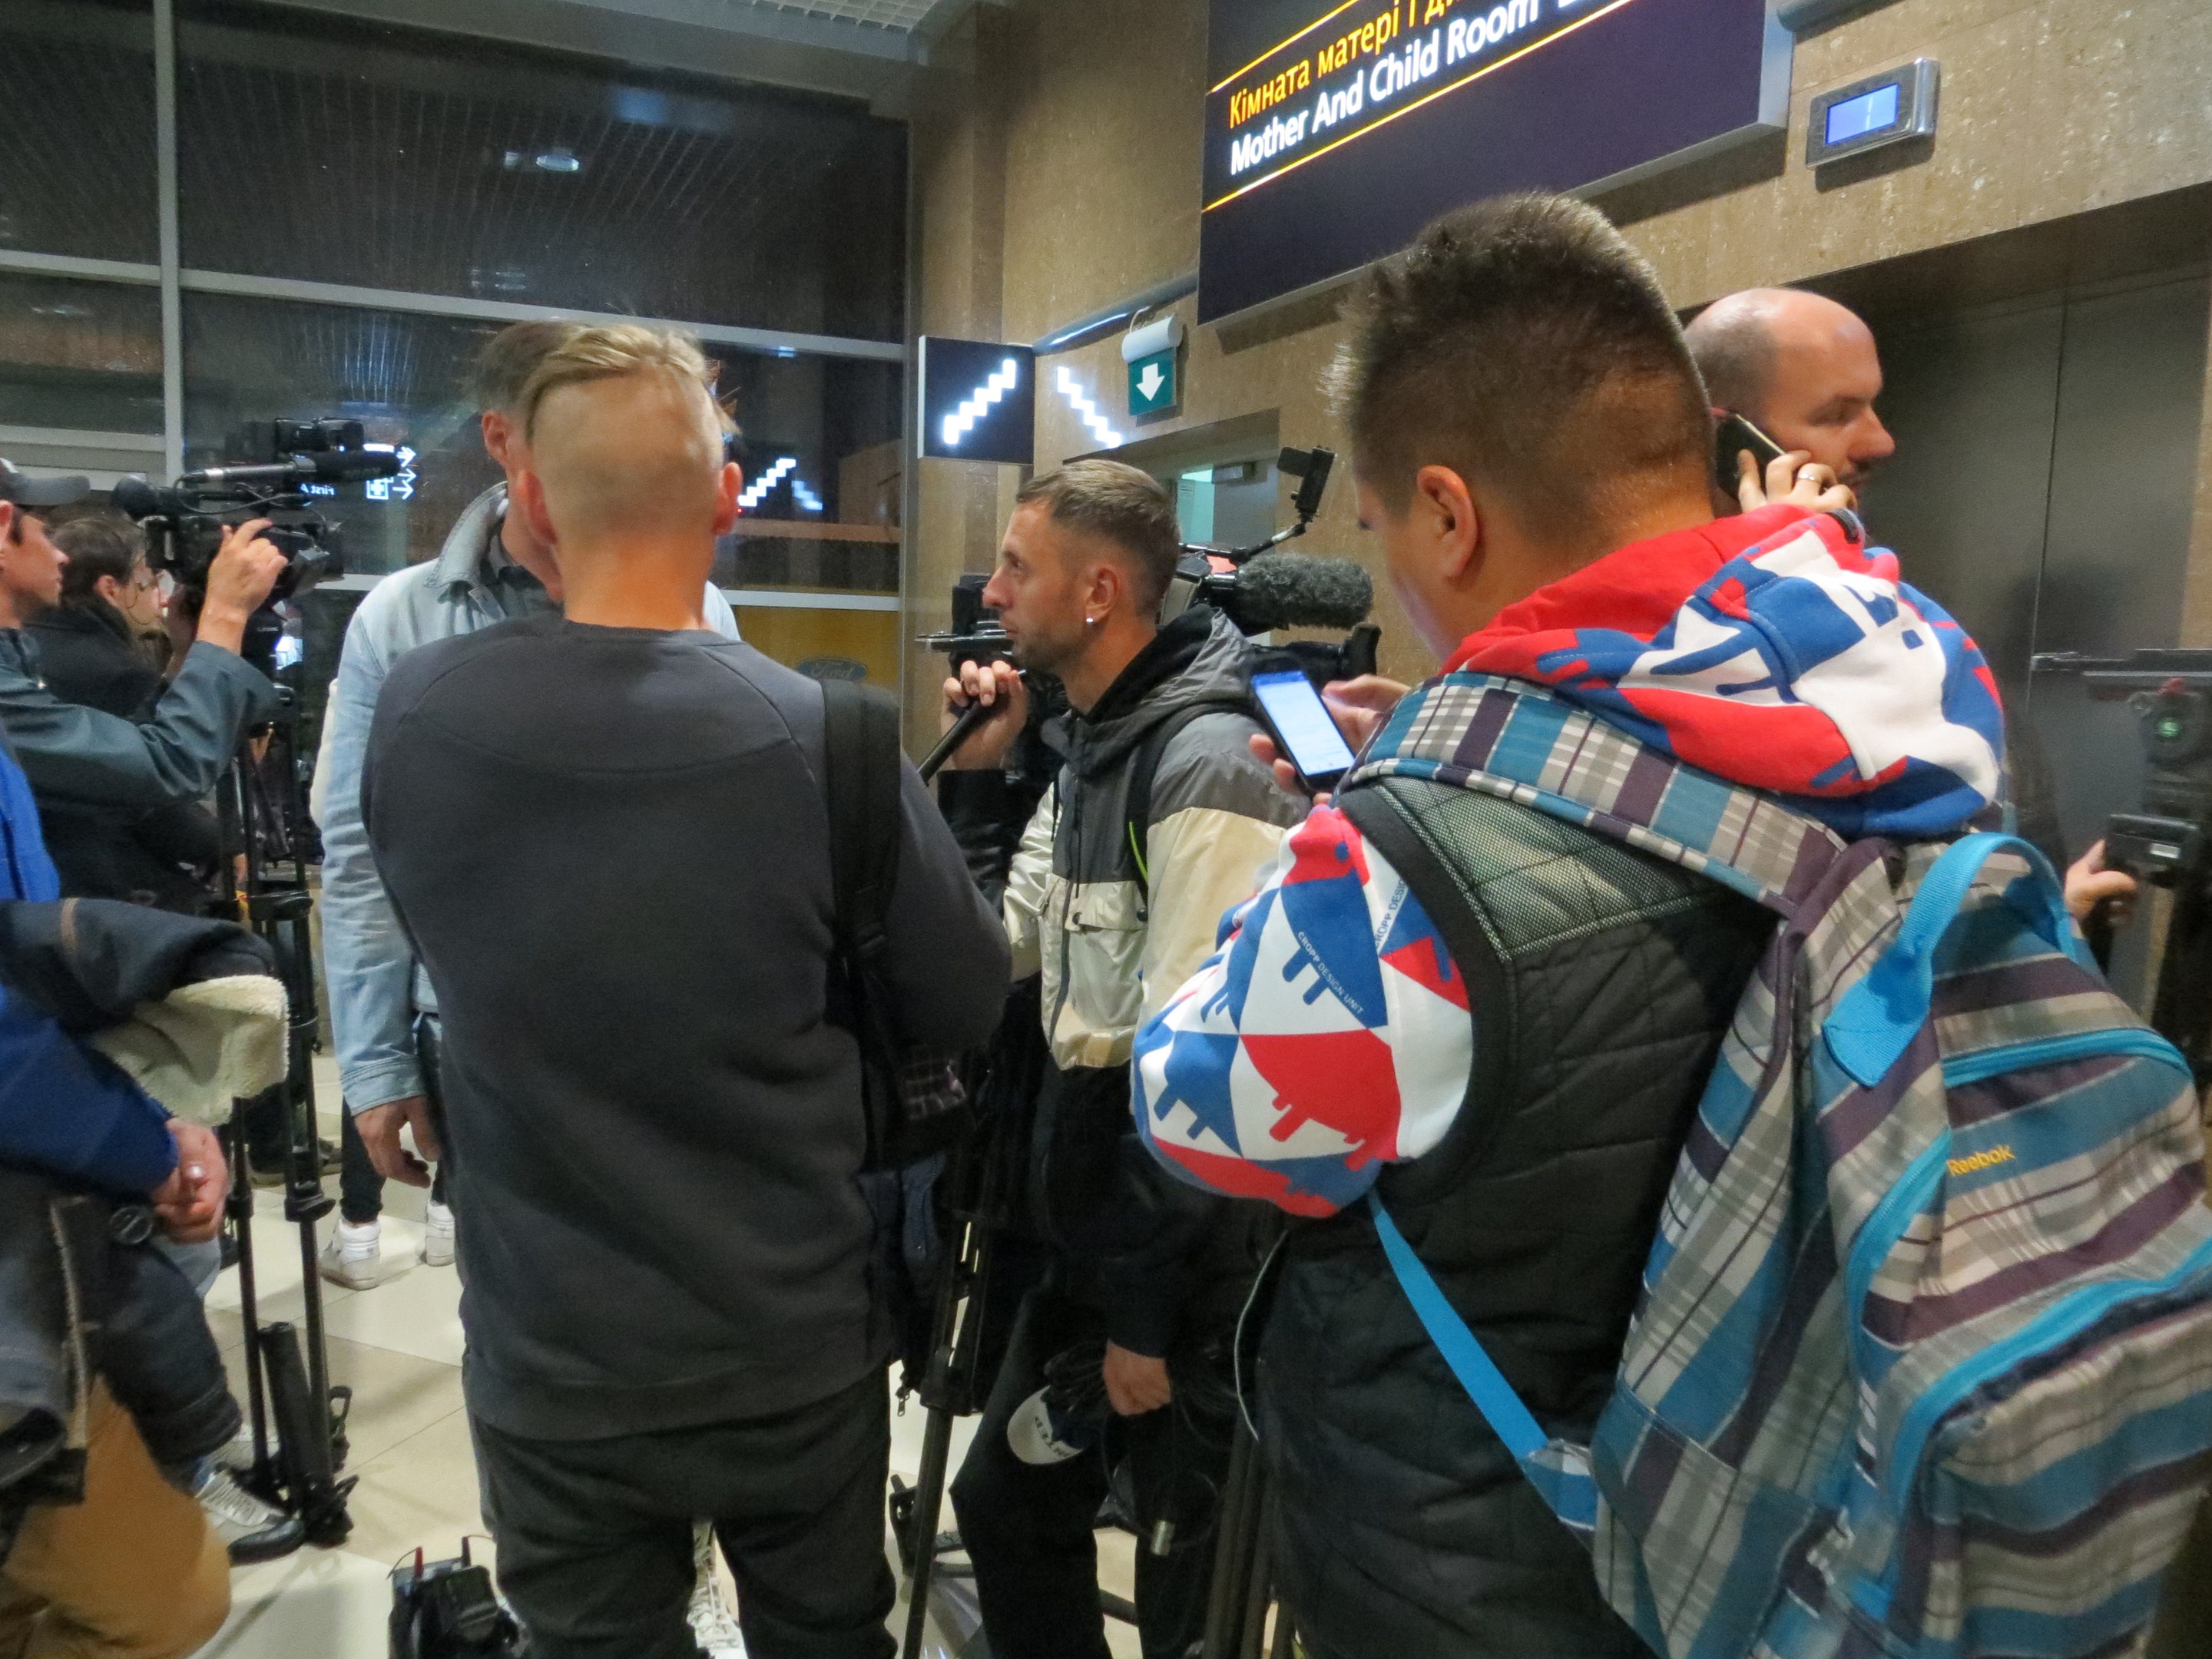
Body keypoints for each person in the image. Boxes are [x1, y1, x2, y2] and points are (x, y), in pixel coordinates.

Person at [1133, 194, 2007, 1657]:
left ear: (1452, 513)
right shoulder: (1939, 711)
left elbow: (1198, 1111)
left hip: (1520, 1571)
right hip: (1838, 1529)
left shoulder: (1409, 868)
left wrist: (1341, 846)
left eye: (1386, 526)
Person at [364, 323, 1008, 1659]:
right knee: (827, 1634)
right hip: (791, 1341)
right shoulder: (822, 735)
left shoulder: (419, 714)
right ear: (726, 499)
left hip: (551, 1343)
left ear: (529, 500)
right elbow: (965, 999)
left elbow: (430, 933)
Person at [933, 460, 1303, 1659]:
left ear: (1098, 591)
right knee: (1001, 1506)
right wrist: (984, 779)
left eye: (1016, 567)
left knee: (1188, 1595)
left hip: (1188, 1277)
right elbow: (996, 956)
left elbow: (1206, 1071)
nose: (992, 592)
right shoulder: (1093, 743)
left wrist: (1144, 1319)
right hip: (1098, 1238)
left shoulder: (1205, 761)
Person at [315, 318, 743, 1296]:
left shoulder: (702, 611)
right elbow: (359, 853)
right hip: (477, 1044)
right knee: (516, 1309)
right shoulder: (407, 619)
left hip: (661, 1040)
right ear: (507, 444)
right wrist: (377, 1067)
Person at [0, 688, 272, 1653]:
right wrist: (146, 1148)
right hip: (28, 1253)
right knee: (166, 1596)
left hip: (51, 1223)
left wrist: (152, 1121)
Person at [0, 457, 283, 813]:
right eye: (43, 531)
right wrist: (225, 613)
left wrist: (182, 660)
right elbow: (170, 766)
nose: (60, 556)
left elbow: (120, 764)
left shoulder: (17, 662)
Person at [28, 516, 224, 912]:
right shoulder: (115, 671)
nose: (163, 599)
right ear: (110, 589)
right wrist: (222, 847)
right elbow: (153, 789)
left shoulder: (25, 651)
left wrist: (180, 659)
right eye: (148, 584)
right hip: (102, 888)